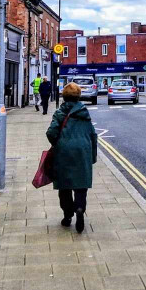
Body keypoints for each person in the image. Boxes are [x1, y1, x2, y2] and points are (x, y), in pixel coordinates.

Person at [46, 82, 97, 233]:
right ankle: (80, 208)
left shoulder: (60, 113)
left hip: (64, 151)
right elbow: (93, 135)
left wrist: (58, 143)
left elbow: (51, 133)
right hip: (83, 151)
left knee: (64, 186)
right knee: (81, 185)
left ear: (64, 96)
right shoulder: (84, 113)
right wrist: (92, 156)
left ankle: (68, 216)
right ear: (79, 96)